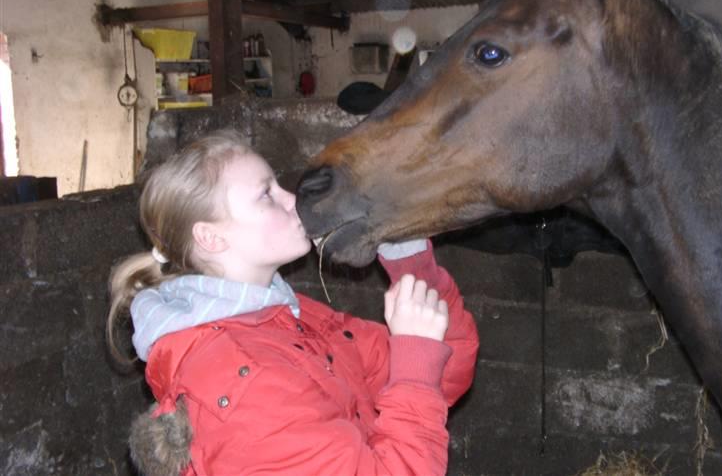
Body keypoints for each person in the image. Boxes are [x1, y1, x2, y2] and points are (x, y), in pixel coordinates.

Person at [106, 129, 479, 476]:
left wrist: (409, 259)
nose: (293, 200)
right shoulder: (247, 386)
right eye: (266, 194)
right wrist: (415, 364)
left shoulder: (289, 317)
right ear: (211, 237)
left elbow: (444, 370)